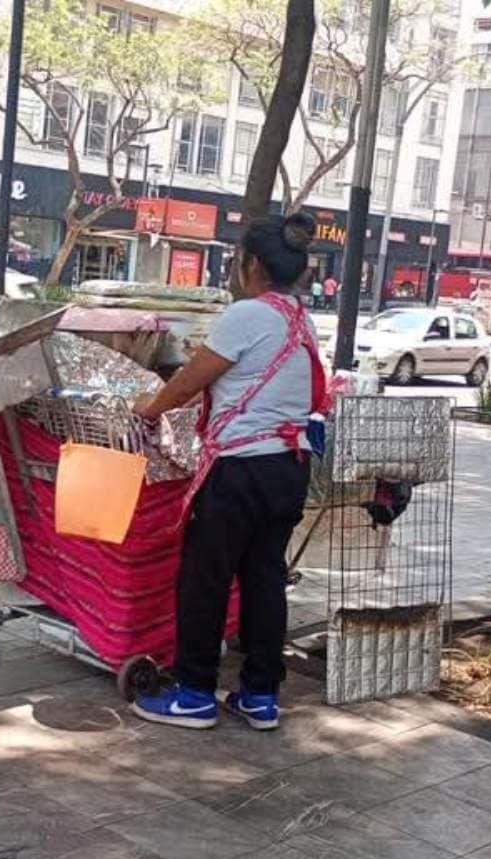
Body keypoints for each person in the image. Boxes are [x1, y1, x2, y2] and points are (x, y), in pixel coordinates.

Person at [130, 213, 327, 732]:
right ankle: (261, 696)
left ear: (251, 265)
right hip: (288, 469)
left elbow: (188, 383)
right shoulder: (300, 320)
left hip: (239, 472)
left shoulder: (247, 315)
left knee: (205, 579)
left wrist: (145, 411)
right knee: (265, 579)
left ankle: (194, 692)